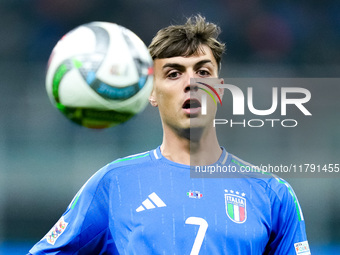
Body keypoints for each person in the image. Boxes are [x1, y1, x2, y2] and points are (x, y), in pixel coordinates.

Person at [28, 15, 310, 255]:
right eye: (174, 73)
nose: (191, 83)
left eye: (203, 71)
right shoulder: (114, 183)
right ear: (150, 91)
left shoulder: (272, 193)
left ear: (220, 90)